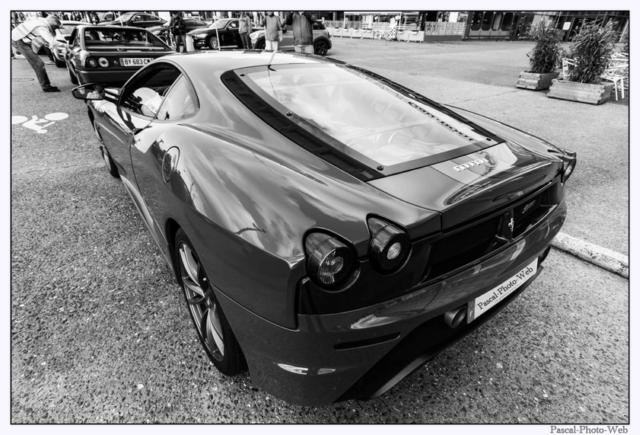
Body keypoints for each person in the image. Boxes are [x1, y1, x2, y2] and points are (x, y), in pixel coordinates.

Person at [11, 15, 63, 92]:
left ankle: (46, 85)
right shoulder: (42, 27)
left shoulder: (41, 21)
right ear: (52, 23)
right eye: (55, 27)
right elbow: (51, 41)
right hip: (18, 40)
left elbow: (44, 39)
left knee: (38, 63)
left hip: (20, 39)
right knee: (38, 63)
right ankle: (46, 87)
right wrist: (65, 45)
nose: (55, 29)